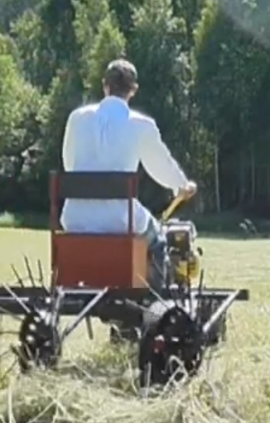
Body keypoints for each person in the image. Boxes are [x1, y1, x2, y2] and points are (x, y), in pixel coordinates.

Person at [60, 58, 197, 290]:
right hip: (120, 221)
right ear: (133, 90)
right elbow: (160, 164)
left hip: (75, 219)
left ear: (105, 86)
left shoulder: (77, 118)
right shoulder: (141, 125)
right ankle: (155, 307)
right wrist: (181, 184)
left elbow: (68, 163)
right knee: (158, 241)